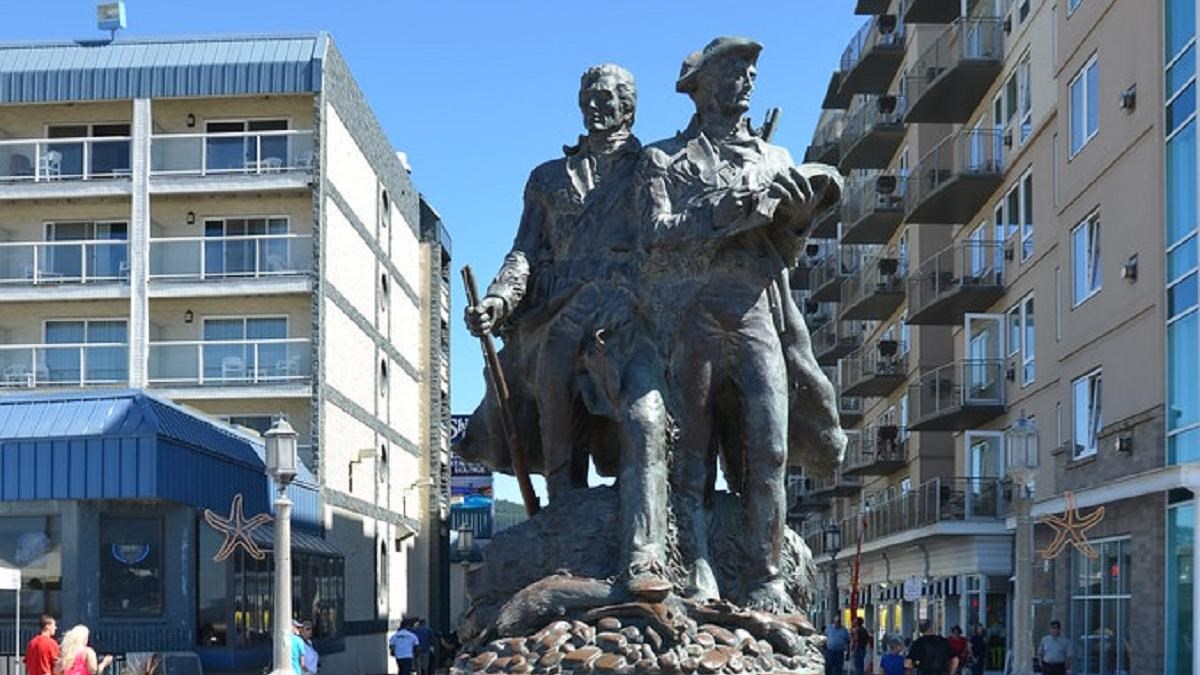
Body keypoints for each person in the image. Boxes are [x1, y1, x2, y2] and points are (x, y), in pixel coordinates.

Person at [639, 35, 845, 610]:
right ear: (700, 85)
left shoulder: (773, 159)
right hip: (693, 316)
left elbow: (786, 252)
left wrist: (799, 220)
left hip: (756, 313)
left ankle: (766, 576)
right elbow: (654, 232)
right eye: (733, 70)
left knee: (770, 450)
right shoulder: (663, 159)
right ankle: (697, 566)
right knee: (692, 451)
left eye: (751, 71)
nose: (746, 80)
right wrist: (724, 210)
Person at [459, 63, 672, 597]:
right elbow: (525, 250)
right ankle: (563, 525)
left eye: (607, 97)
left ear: (629, 107)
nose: (596, 106)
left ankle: (642, 541)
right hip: (562, 310)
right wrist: (499, 299)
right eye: (588, 97)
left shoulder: (654, 167)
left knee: (640, 414)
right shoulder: (548, 177)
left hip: (627, 309)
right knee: (554, 404)